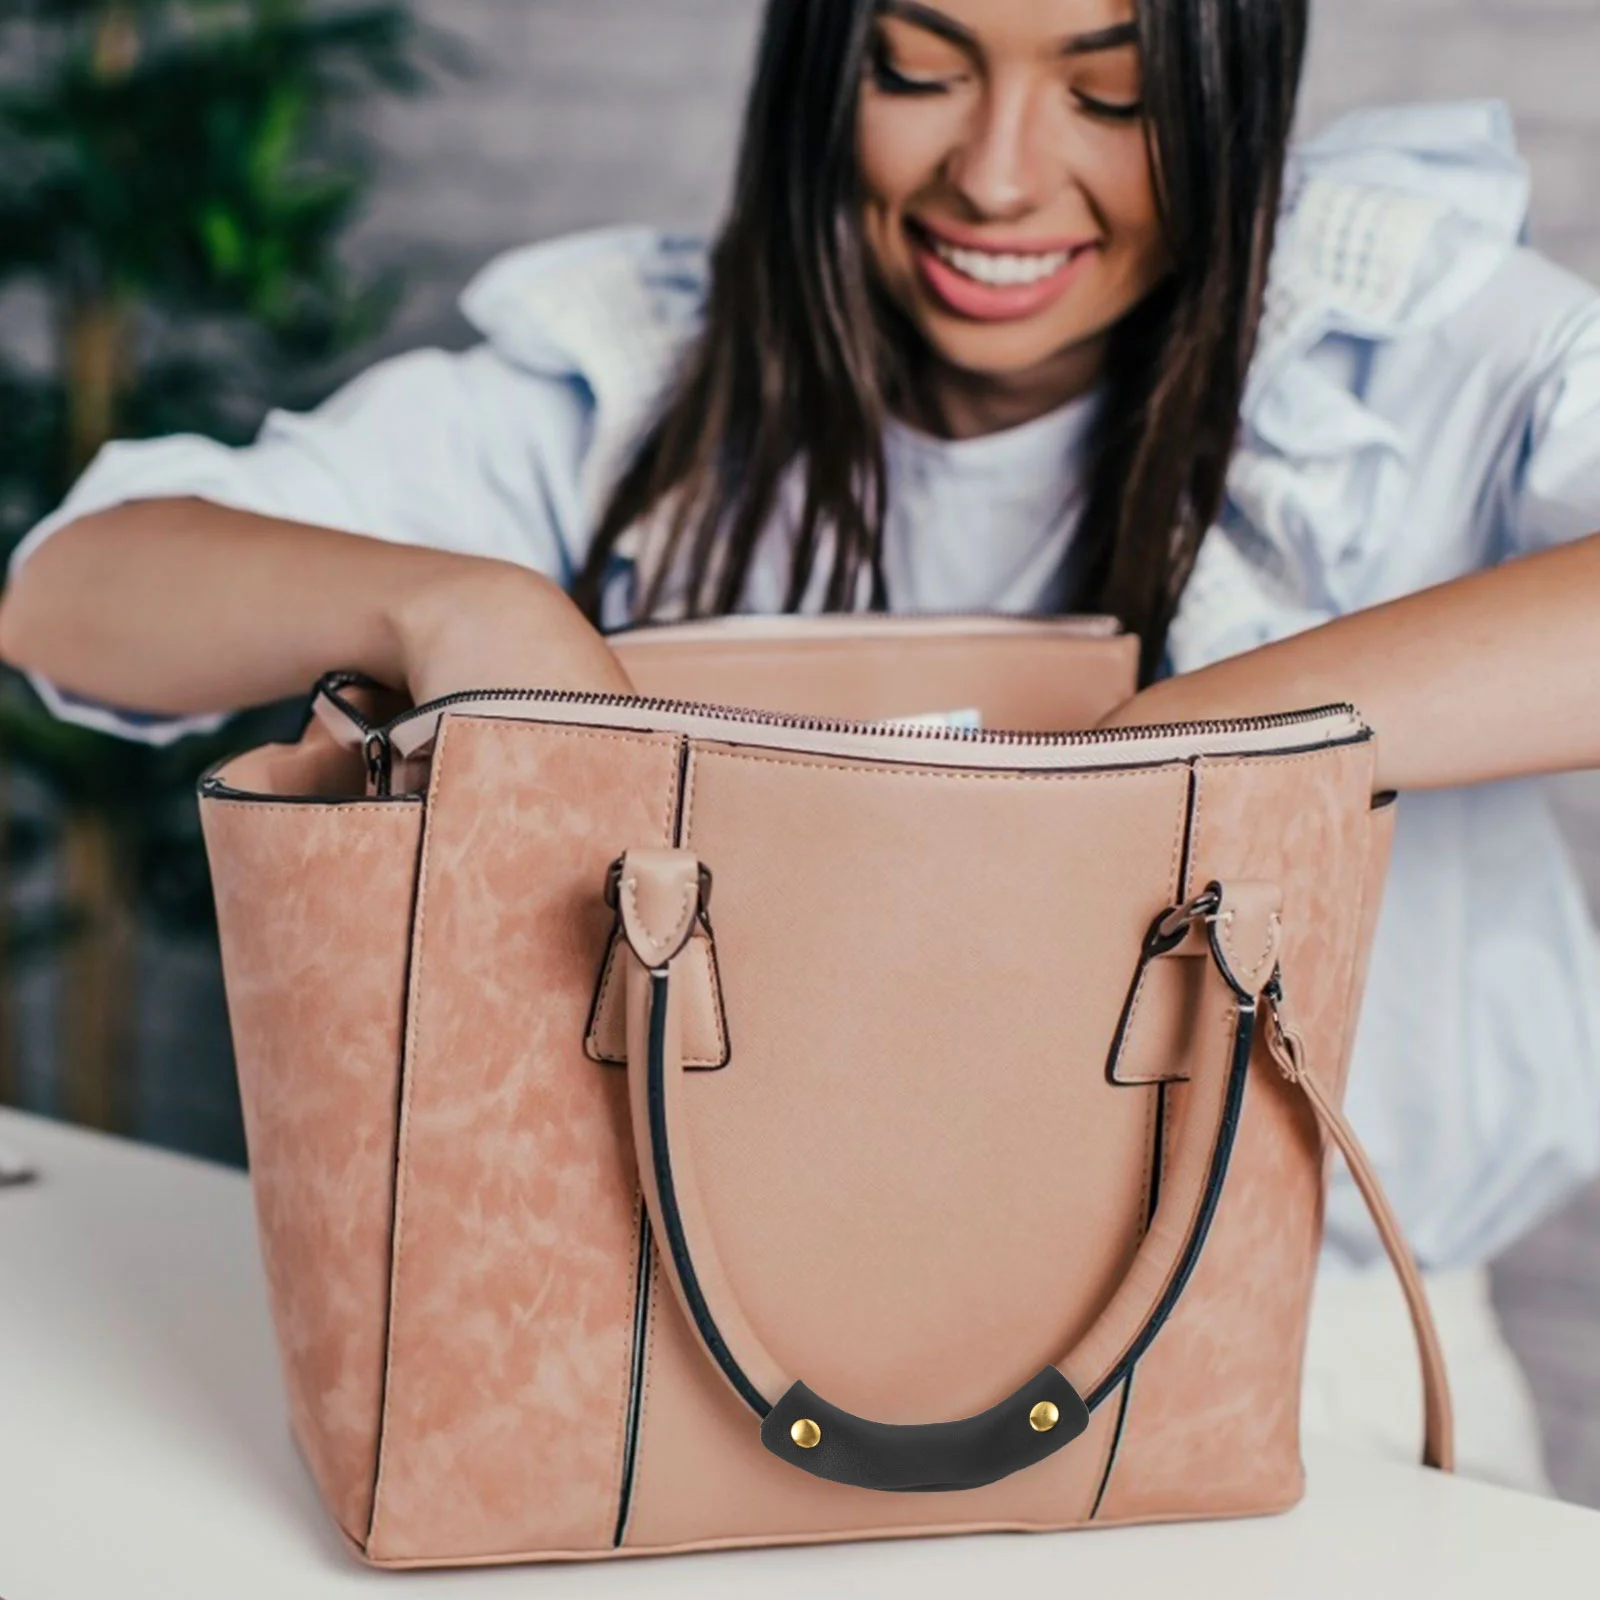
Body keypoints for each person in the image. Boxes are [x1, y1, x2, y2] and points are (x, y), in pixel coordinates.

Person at [2, 0, 1597, 1494]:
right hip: (696, 1362)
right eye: (918, 68)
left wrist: (1169, 752)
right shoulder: (644, 380)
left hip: (1323, 1381)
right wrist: (453, 607)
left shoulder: (1389, 343)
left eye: (1113, 95)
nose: (998, 175)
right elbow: (73, 590)